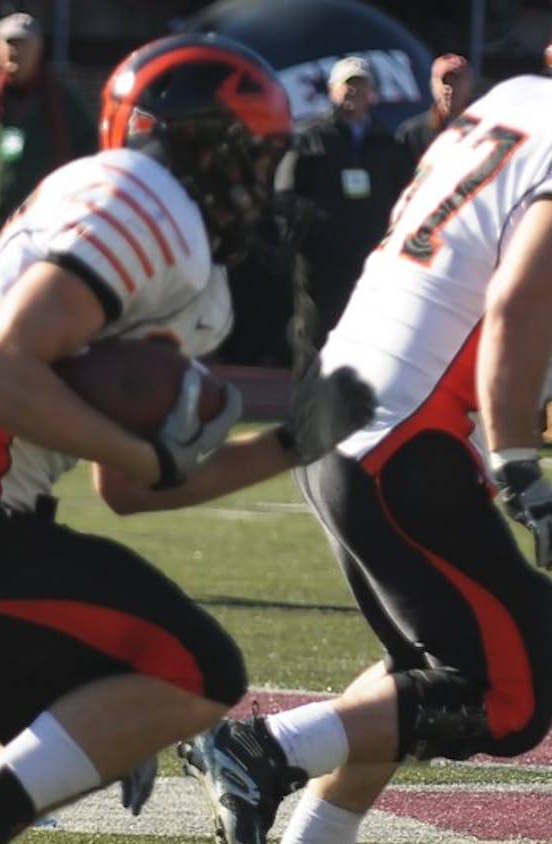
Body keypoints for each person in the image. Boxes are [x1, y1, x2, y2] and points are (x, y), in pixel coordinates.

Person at [0, 34, 376, 844]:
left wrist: (289, 444)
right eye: (254, 157)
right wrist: (152, 451)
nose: (264, 183)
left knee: (77, 735)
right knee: (197, 670)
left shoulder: (154, 226)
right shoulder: (146, 198)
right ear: (201, 143)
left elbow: (125, 491)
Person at [176, 71, 552, 844]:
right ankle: (260, 748)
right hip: (399, 438)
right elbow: (517, 301)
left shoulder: (510, 102)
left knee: (428, 669)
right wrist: (520, 469)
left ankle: (311, 832)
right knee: (511, 695)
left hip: (344, 413)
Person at [0, 11, 95, 317]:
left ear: (39, 50)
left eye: (24, 44)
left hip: (41, 237)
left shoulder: (64, 107)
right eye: (8, 43)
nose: (15, 51)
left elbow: (89, 167)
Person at [273, 55, 413, 346]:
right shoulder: (310, 136)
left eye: (361, 86)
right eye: (347, 85)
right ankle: (311, 392)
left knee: (368, 338)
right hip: (322, 260)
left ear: (372, 93)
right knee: (315, 337)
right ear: (332, 90)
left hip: (370, 258)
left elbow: (406, 194)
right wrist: (306, 227)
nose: (354, 92)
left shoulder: (387, 143)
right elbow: (284, 190)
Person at [394, 53, 474, 162]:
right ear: (432, 86)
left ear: (469, 85)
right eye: (444, 81)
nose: (448, 88)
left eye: (456, 81)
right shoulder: (413, 134)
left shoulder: (487, 130)